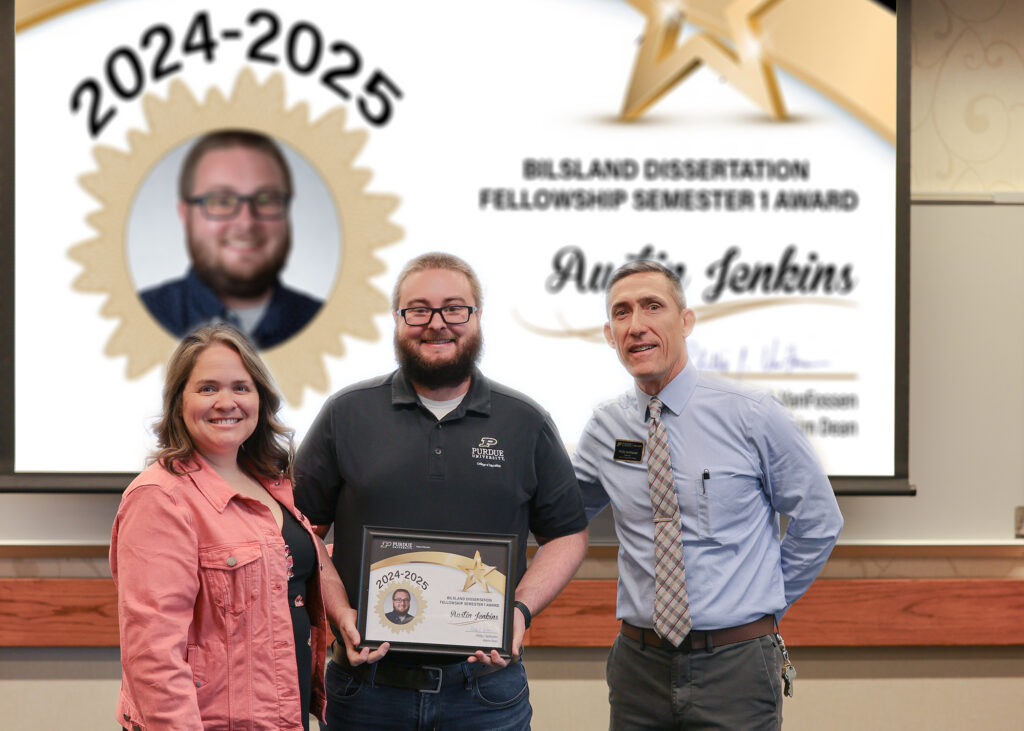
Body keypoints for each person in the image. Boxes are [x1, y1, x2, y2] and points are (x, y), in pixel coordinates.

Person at [293, 252, 589, 730]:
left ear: (477, 317)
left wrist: (518, 611)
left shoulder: (525, 422)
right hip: (366, 691)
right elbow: (301, 532)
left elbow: (568, 534)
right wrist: (341, 612)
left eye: (454, 308)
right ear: (397, 319)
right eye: (418, 310)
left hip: (485, 693)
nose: (437, 324)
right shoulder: (345, 413)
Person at [572, 260, 843, 729]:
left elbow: (820, 520)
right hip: (639, 668)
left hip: (736, 666)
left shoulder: (753, 414)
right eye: (621, 312)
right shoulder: (605, 427)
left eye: (652, 306)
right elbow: (558, 516)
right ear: (609, 335)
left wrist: (764, 604)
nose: (636, 325)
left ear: (686, 321)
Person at [110, 324, 350, 730]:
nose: (226, 402)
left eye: (241, 387)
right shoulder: (161, 497)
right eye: (207, 388)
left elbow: (284, 573)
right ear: (179, 403)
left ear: (260, 398)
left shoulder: (271, 484)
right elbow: (153, 657)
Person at [139, 130, 322, 349]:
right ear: (185, 214)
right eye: (222, 201)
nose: (246, 223)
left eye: (266, 200)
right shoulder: (142, 316)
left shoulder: (323, 321)